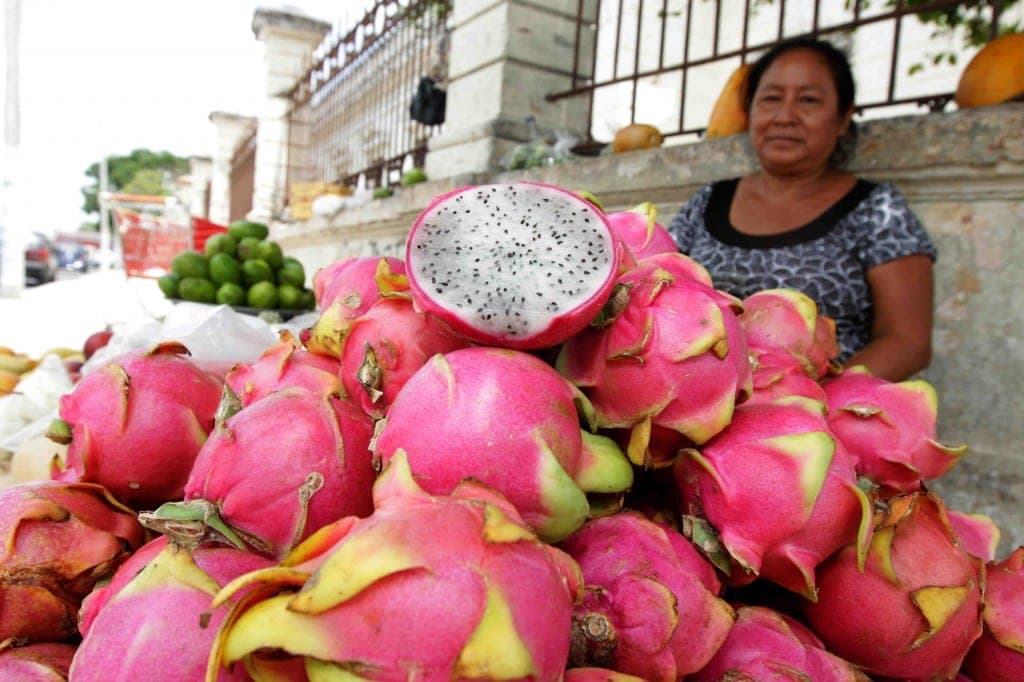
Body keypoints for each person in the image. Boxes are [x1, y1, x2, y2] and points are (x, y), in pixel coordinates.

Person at [668, 37, 936, 382]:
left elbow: (907, 341)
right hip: (703, 408)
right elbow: (660, 288)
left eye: (808, 100)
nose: (785, 116)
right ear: (749, 113)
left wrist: (811, 403)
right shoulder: (708, 201)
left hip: (823, 422)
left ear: (843, 118)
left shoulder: (876, 209)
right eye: (771, 99)